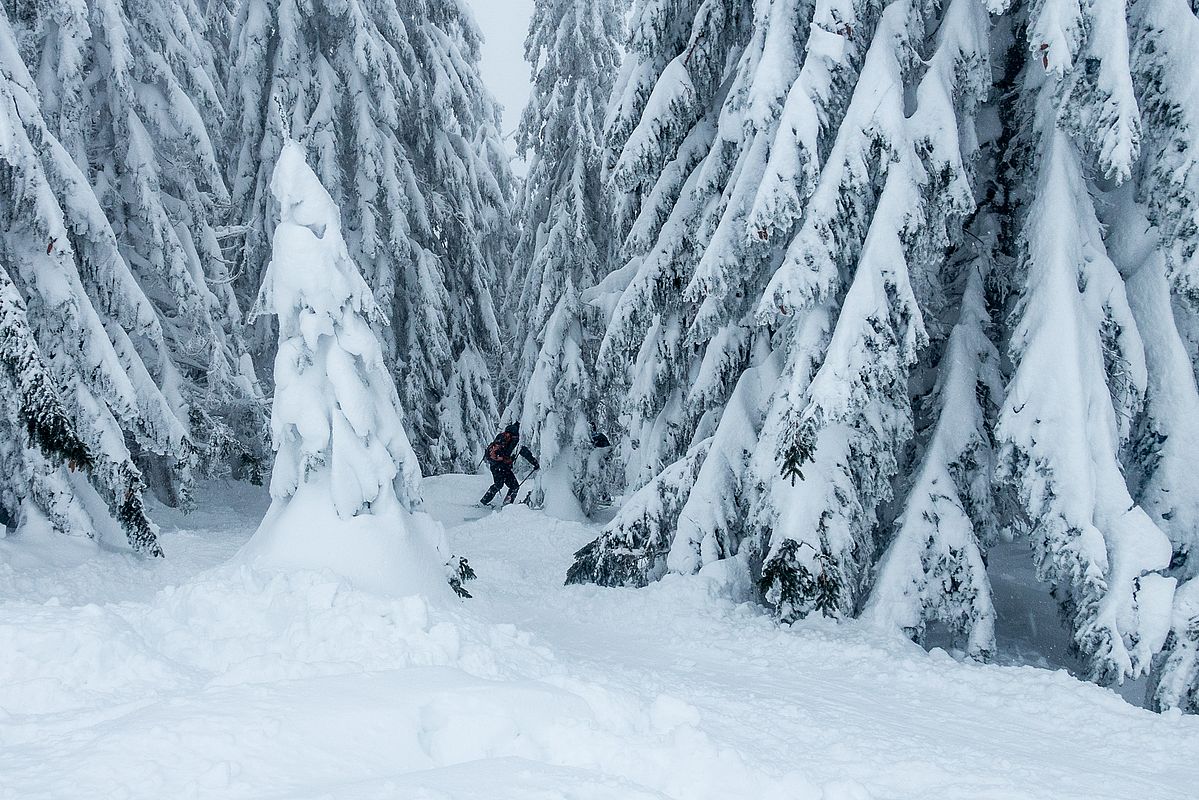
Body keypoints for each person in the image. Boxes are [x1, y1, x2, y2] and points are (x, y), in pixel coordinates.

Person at [480, 422, 539, 506]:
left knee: (499, 485)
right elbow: (526, 453)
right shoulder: (517, 440)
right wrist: (535, 463)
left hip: (496, 465)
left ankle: (484, 502)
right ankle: (506, 505)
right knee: (514, 486)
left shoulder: (502, 436)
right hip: (503, 466)